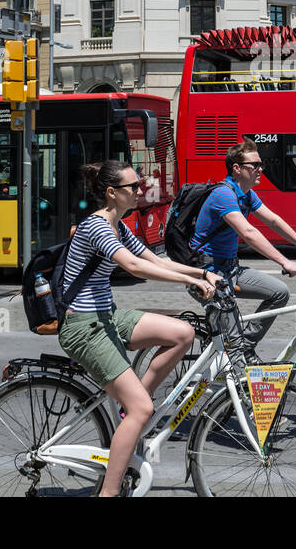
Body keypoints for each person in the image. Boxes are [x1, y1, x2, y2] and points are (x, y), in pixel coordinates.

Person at [58, 160, 217, 498]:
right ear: (113, 193)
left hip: (107, 316)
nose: (140, 190)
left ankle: (132, 404)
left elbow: (155, 260)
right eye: (134, 186)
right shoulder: (96, 226)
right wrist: (191, 279)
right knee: (144, 409)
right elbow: (133, 266)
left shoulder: (121, 225)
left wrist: (202, 274)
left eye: (139, 183)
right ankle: (109, 493)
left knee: (182, 333)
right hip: (83, 327)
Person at [188, 140, 296, 355]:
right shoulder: (223, 194)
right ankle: (231, 365)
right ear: (237, 168)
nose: (261, 170)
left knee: (279, 292)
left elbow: (273, 220)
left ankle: (244, 347)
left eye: (262, 164)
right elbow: (249, 233)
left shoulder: (246, 195)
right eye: (255, 166)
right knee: (232, 343)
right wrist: (285, 262)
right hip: (207, 272)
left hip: (230, 268)